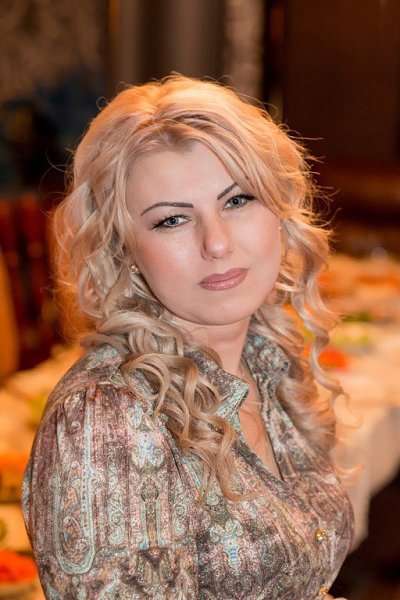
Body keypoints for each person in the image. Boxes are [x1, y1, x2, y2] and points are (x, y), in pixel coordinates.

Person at [22, 75, 353, 599]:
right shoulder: (106, 420)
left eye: (238, 200)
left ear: (279, 209)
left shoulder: (267, 355)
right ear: (122, 248)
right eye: (172, 220)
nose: (216, 243)